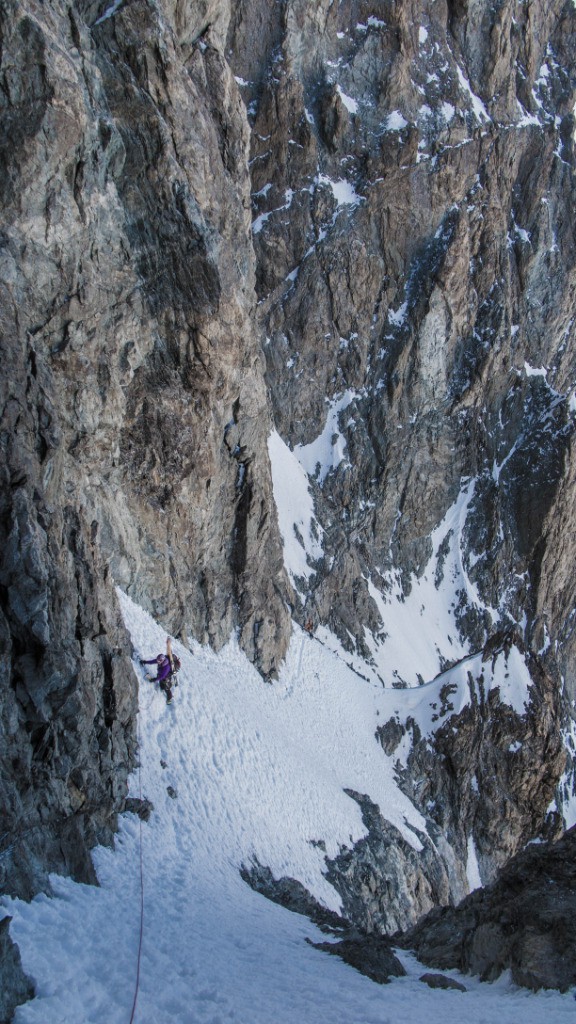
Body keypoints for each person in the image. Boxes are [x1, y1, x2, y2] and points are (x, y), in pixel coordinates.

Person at [140, 638, 175, 704]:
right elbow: (153, 661)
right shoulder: (160, 660)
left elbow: (162, 676)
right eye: (157, 660)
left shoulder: (166, 667)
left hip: (166, 677)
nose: (157, 661)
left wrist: (154, 679)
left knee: (166, 688)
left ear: (162, 660)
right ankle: (163, 686)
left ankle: (169, 699)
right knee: (161, 686)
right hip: (161, 674)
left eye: (159, 661)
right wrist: (145, 662)